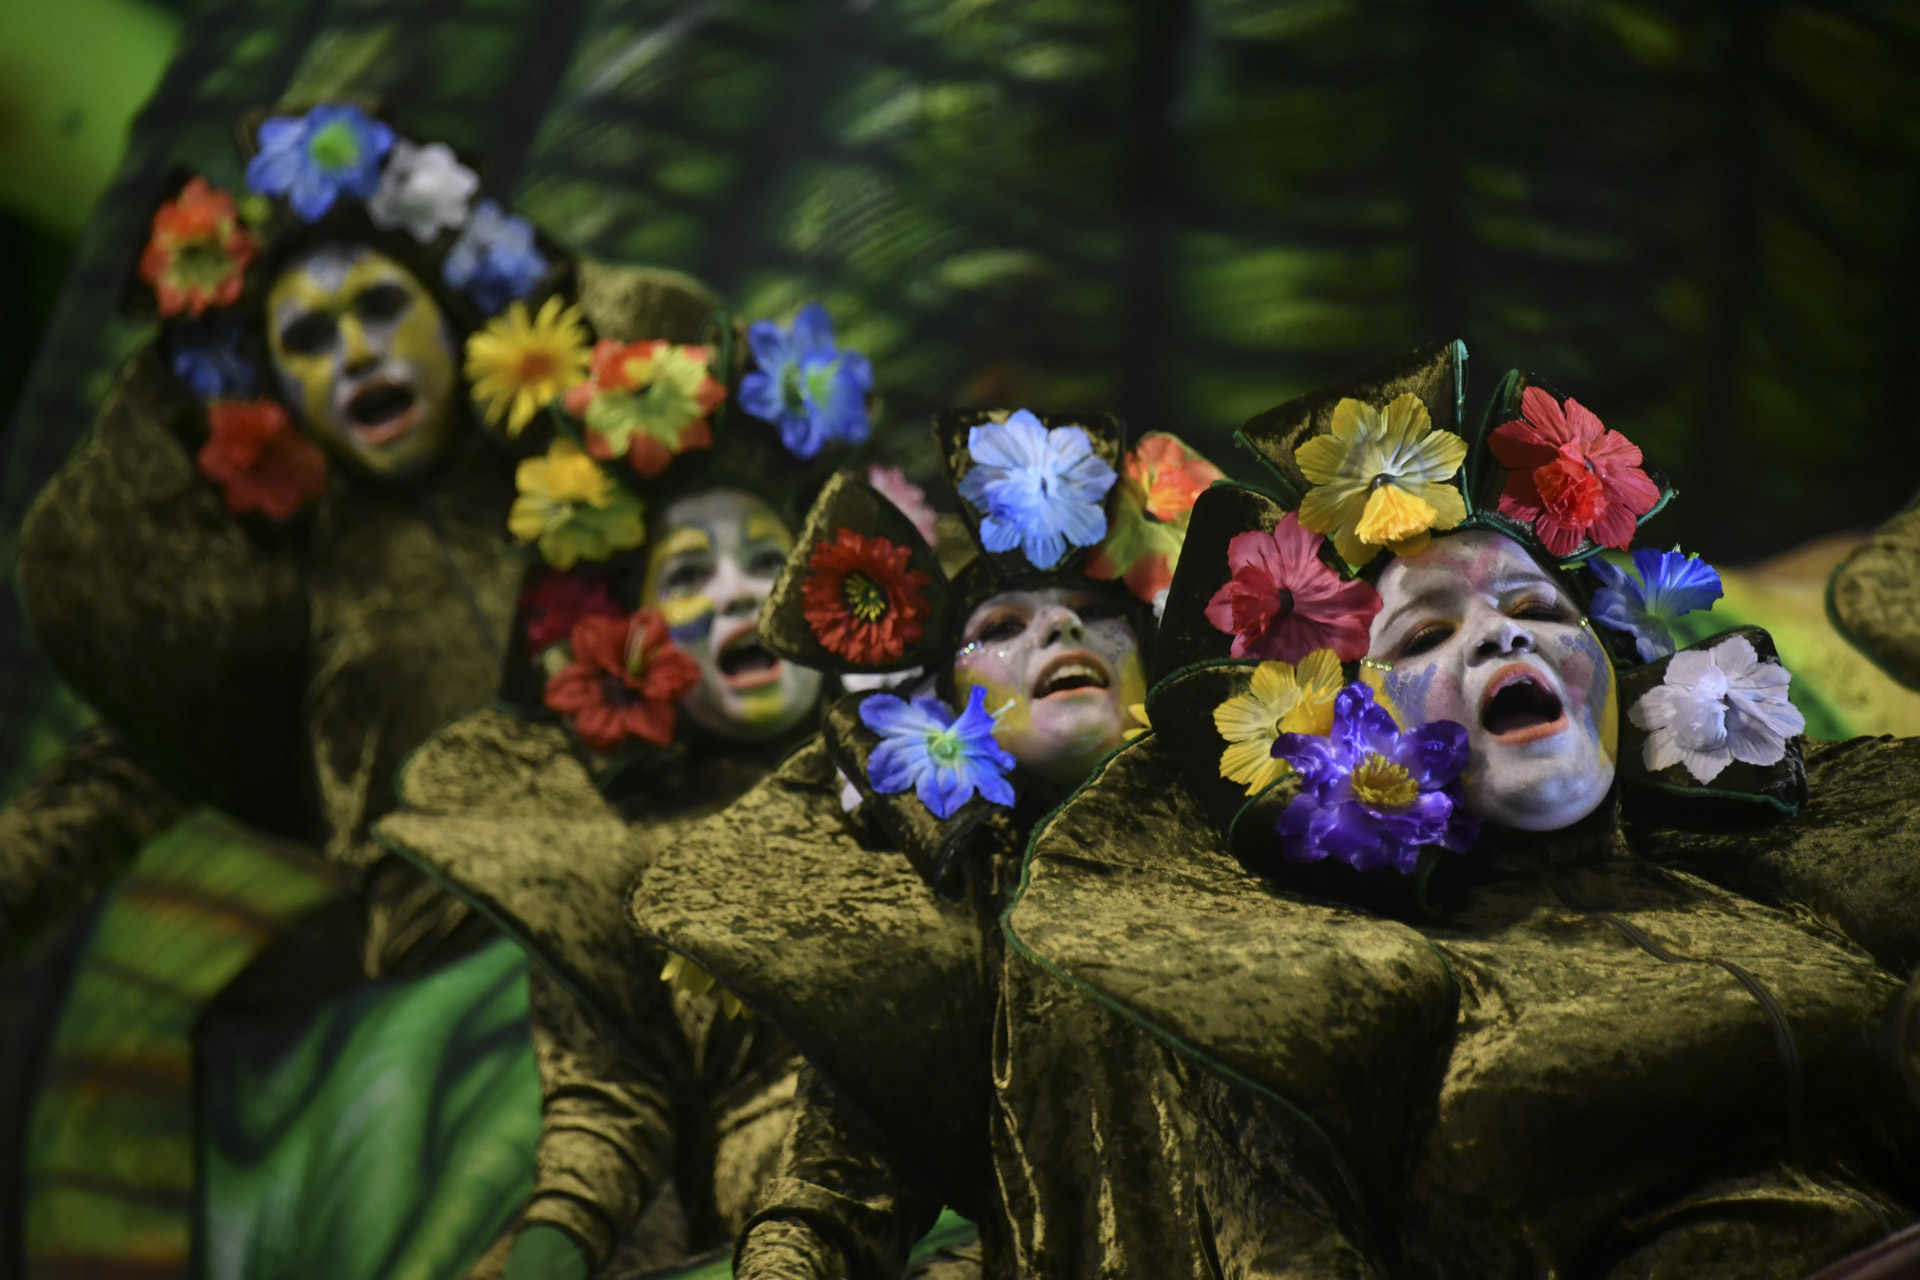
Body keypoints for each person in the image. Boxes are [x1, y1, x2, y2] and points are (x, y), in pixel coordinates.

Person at [0, 99, 813, 1280]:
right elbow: (114, 782)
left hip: (682, 913)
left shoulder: (613, 483)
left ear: (454, 318)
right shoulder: (298, 597)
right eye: (309, 340)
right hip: (461, 982)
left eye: (379, 308)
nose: (355, 354)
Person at [1004, 340, 1920, 1277]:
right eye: (1429, 632)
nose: (1505, 631)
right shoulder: (1346, 1006)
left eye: (1540, 607)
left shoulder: (1781, 892)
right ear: (1346, 729)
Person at [378, 298, 894, 1278]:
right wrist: (550, 1239)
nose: (740, 590)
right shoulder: (598, 840)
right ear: (635, 636)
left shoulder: (929, 769)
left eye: (766, 556)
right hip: (709, 1207)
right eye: (691, 571)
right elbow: (606, 1101)